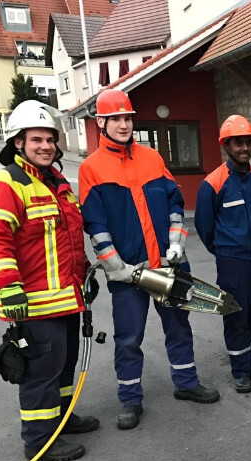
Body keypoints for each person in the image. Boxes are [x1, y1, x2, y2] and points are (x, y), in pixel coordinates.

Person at [79, 89, 219, 429]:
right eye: (116, 119)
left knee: (179, 326)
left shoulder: (153, 158)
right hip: (127, 273)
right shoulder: (91, 168)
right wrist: (115, 266)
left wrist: (177, 243)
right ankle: (130, 400)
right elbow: (95, 224)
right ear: (102, 123)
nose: (123, 124)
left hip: (168, 265)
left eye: (127, 118)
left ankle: (186, 383)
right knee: (128, 338)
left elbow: (175, 204)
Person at [0, 100, 99, 461]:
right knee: (41, 371)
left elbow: (69, 239)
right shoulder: (7, 183)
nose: (46, 146)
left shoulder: (57, 183)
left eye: (50, 139)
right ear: (18, 142)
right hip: (33, 302)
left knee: (64, 363)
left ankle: (60, 418)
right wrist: (8, 286)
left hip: (67, 298)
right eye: (36, 140)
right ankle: (39, 440)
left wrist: (84, 273)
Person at [195, 115, 251, 394]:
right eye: (237, 143)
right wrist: (224, 251)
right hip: (232, 260)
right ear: (226, 146)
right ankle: (240, 371)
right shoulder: (213, 183)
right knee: (236, 316)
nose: (244, 148)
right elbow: (204, 227)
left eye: (247, 143)